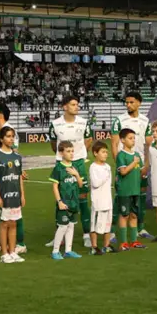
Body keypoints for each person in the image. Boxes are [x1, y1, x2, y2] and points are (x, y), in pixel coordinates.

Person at [49, 96, 95, 246]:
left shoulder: (83, 122)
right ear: (64, 107)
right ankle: (59, 236)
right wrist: (63, 159)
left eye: (77, 104)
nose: (77, 107)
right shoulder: (55, 124)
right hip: (61, 164)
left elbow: (88, 140)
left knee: (82, 198)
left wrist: (79, 156)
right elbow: (54, 144)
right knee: (60, 199)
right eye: (73, 104)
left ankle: (87, 234)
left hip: (79, 163)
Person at [111, 91, 153, 241]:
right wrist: (119, 166)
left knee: (140, 198)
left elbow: (148, 145)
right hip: (125, 167)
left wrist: (146, 165)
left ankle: (140, 228)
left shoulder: (145, 120)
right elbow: (114, 144)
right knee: (120, 199)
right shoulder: (119, 120)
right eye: (126, 102)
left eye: (131, 102)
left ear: (139, 103)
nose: (128, 105)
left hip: (140, 166)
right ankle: (112, 232)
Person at [0, 102, 27, 253]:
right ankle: (5, 242)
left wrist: (18, 170)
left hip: (9, 177)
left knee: (14, 210)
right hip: (0, 176)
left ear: (1, 115)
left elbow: (14, 153)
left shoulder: (10, 131)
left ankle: (20, 244)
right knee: (2, 210)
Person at [50, 141, 85, 260]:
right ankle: (55, 251)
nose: (71, 154)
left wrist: (76, 174)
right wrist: (59, 201)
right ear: (61, 153)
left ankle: (68, 251)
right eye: (68, 151)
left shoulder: (74, 167)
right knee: (62, 226)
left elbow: (80, 185)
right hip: (64, 202)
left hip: (74, 202)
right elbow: (54, 186)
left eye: (72, 151)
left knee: (71, 226)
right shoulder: (58, 168)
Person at [114, 129, 147, 251]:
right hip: (125, 191)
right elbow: (123, 172)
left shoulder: (137, 155)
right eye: (130, 138)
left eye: (134, 138)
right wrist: (134, 163)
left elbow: (141, 172)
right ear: (122, 140)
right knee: (124, 215)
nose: (133, 140)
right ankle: (123, 242)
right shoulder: (121, 155)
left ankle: (134, 241)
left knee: (134, 215)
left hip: (135, 190)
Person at [88, 142, 114, 254]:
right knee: (95, 225)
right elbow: (95, 183)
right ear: (95, 153)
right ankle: (94, 247)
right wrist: (105, 176)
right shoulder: (93, 167)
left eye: (106, 152)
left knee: (108, 224)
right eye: (103, 152)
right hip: (98, 202)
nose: (105, 154)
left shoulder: (107, 167)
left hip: (107, 200)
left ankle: (106, 245)